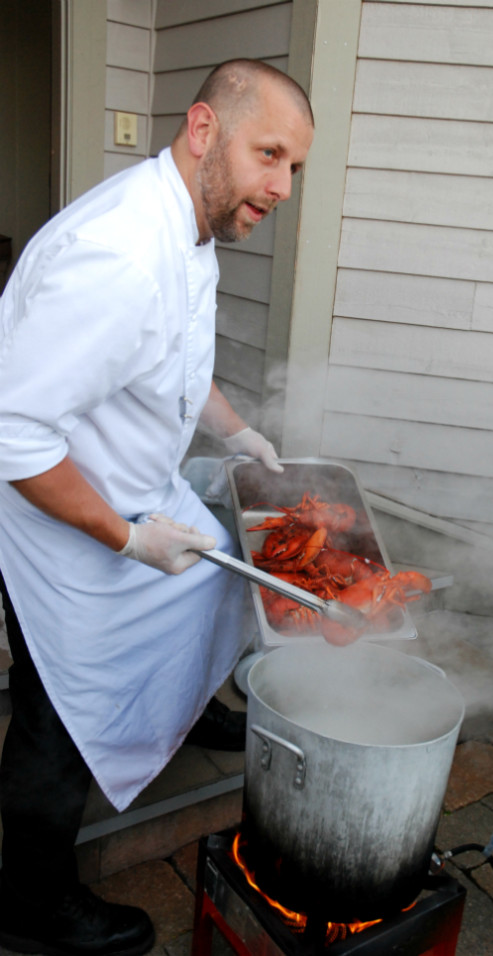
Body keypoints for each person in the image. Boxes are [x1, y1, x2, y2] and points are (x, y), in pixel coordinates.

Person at [0, 58, 314, 956]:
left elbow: (176, 361)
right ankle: (28, 907)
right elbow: (13, 434)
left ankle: (177, 713)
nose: (281, 187)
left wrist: (240, 433)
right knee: (56, 712)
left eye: (294, 167)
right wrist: (127, 538)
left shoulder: (192, 228)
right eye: (269, 155)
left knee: (212, 573)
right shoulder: (119, 255)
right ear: (205, 129)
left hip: (134, 480)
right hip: (59, 518)